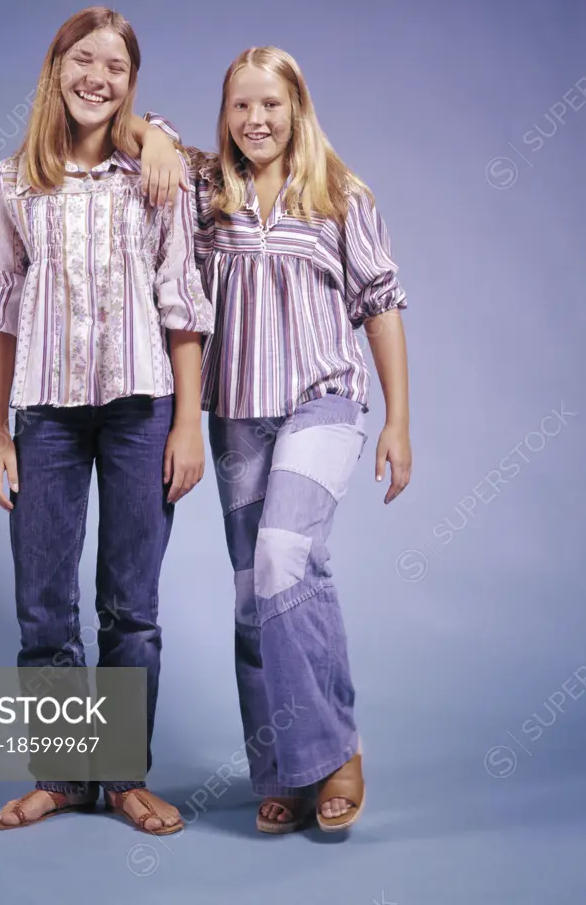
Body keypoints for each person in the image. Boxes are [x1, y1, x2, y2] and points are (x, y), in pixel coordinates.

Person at [0, 6, 213, 834]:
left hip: (144, 410)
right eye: (82, 60)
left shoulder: (156, 176)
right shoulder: (14, 182)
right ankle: (64, 779)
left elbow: (182, 303)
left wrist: (188, 424)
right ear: (55, 68)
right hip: (45, 415)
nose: (96, 78)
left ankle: (123, 778)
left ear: (130, 85)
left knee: (130, 606)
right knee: (43, 605)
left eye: (114, 67)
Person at [151, 45, 412, 834]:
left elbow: (381, 302)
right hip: (236, 412)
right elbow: (128, 131)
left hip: (321, 400)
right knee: (248, 592)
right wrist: (160, 137)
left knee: (282, 560)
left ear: (296, 107)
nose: (255, 120)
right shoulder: (206, 193)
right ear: (223, 114)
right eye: (240, 106)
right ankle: (281, 772)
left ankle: (334, 753)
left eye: (270, 104)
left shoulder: (340, 194)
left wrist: (398, 419)